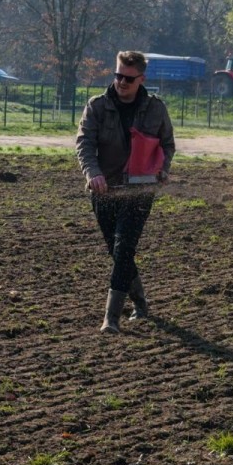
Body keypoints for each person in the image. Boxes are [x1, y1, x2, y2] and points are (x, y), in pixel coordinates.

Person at [76, 51, 175, 334]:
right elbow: (84, 143)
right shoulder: (97, 106)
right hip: (104, 189)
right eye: (118, 75)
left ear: (141, 79)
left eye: (128, 79)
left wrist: (163, 168)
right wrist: (92, 173)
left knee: (123, 249)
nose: (121, 82)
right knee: (116, 250)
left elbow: (167, 145)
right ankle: (141, 303)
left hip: (140, 191)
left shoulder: (156, 109)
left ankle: (111, 318)